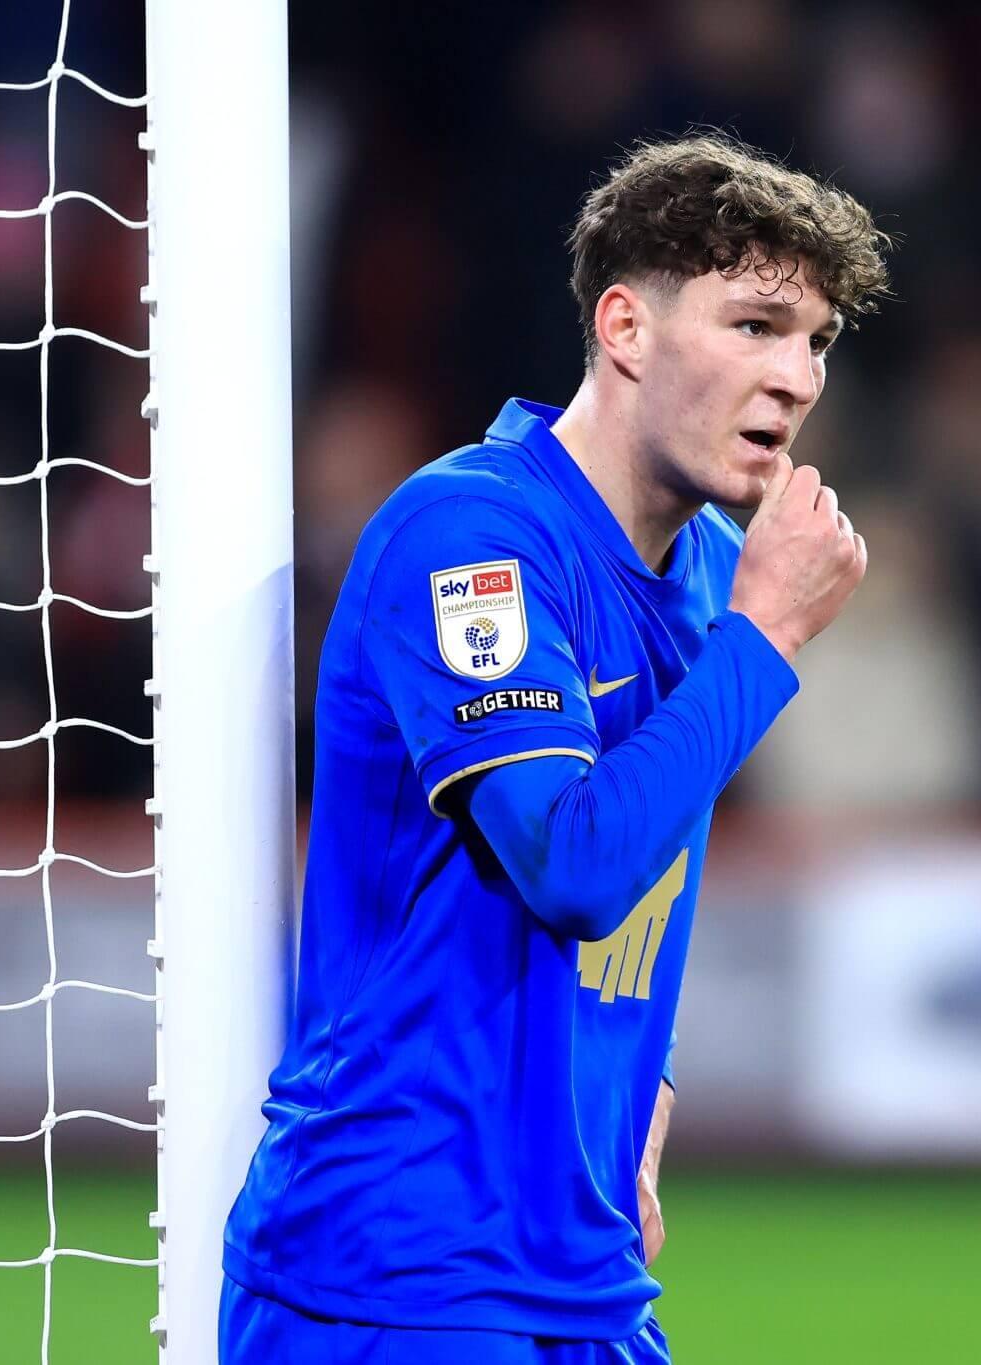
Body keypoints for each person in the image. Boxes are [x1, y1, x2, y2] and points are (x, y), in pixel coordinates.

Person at [219, 135, 890, 1363]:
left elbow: (647, 869)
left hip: (579, 1274)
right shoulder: (470, 537)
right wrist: (767, 639)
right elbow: (571, 865)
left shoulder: (706, 570)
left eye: (817, 342)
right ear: (625, 328)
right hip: (396, 1279)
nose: (795, 379)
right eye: (754, 327)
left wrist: (645, 1093)